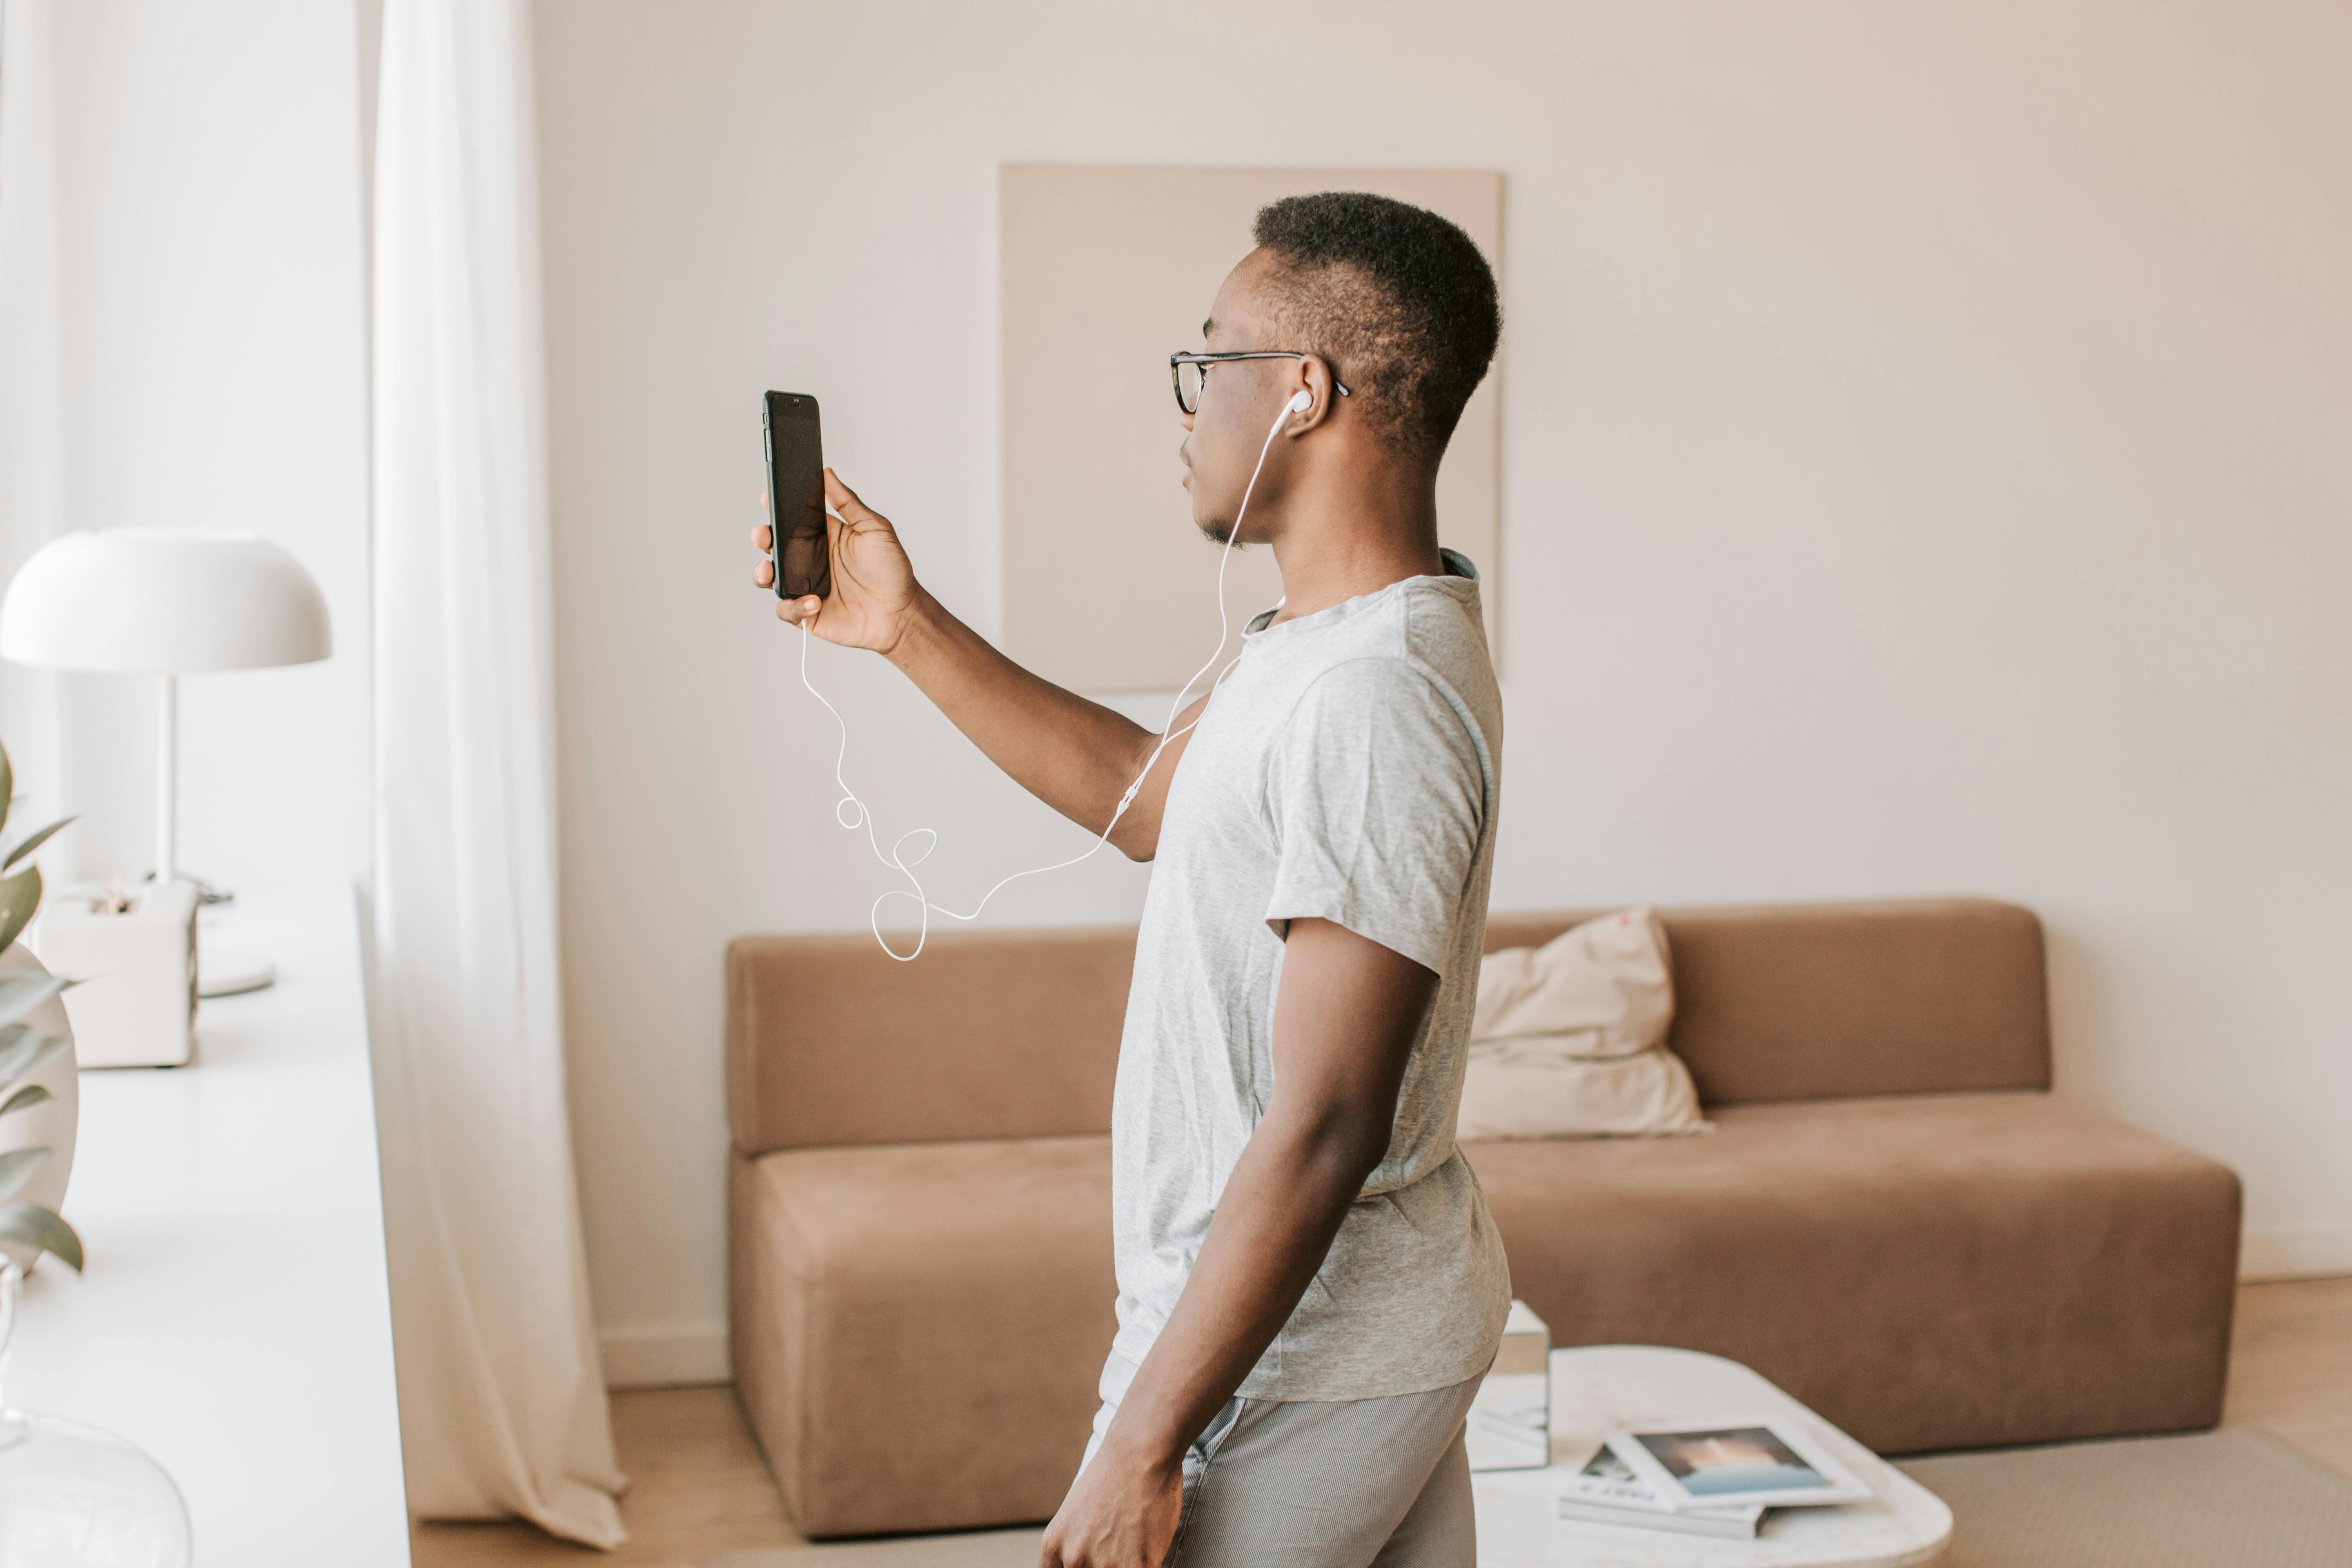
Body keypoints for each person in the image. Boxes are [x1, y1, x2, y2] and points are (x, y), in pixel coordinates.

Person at [751, 191, 1508, 1568]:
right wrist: (903, 624)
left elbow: (1327, 1119)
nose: (1184, 407)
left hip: (1301, 1362)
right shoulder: (1319, 648)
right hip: (1359, 1335)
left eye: (1205, 362)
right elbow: (1153, 801)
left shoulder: (1371, 698)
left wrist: (1143, 1443)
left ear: (1300, 393)